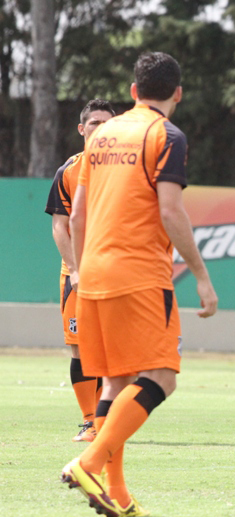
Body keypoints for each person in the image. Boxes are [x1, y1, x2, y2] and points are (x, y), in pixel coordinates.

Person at [60, 51, 218, 517]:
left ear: (132, 92)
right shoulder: (165, 134)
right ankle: (88, 462)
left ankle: (118, 494)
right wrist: (203, 278)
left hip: (93, 274)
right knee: (162, 377)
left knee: (116, 382)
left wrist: (83, 269)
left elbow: (78, 213)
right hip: (139, 275)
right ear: (178, 94)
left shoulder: (102, 134)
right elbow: (171, 211)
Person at [45, 99, 115, 442]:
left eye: (106, 123)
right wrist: (75, 269)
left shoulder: (126, 169)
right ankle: (91, 421)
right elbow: (60, 226)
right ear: (81, 129)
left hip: (117, 271)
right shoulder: (69, 171)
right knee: (80, 347)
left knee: (113, 349)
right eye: (94, 123)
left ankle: (109, 420)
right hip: (78, 273)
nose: (100, 129)